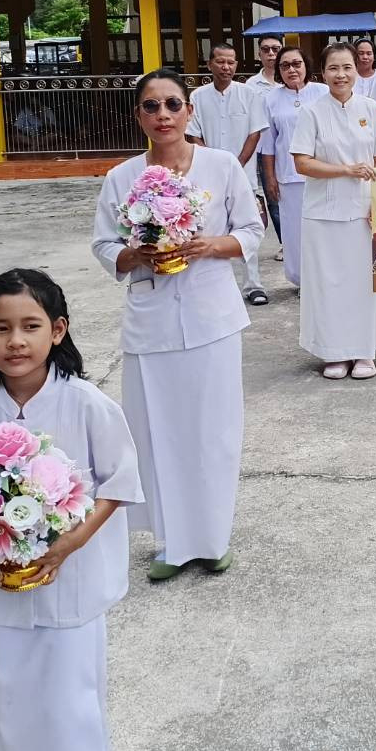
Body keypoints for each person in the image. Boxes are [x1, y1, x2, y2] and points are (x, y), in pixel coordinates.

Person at [0, 268, 142, 751]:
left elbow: (118, 484)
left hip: (69, 588)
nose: (15, 341)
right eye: (0, 328)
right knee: (6, 707)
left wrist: (69, 544)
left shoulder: (87, 404)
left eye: (30, 326)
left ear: (58, 330)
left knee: (69, 708)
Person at [90, 69, 264, 582]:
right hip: (152, 319)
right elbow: (102, 244)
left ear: (190, 111)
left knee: (214, 430)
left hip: (212, 316)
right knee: (156, 431)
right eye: (151, 106)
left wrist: (213, 245)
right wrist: (133, 254)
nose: (163, 115)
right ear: (138, 115)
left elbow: (251, 230)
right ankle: (172, 540)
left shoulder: (221, 165)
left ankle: (212, 537)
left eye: (172, 104)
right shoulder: (121, 177)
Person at [291, 42, 376, 379]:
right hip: (323, 213)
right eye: (334, 68)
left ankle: (365, 351)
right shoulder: (311, 111)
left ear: (357, 70)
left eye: (347, 67)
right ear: (323, 73)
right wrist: (346, 170)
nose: (341, 74)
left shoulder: (371, 109)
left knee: (363, 284)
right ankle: (333, 352)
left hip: (365, 212)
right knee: (328, 284)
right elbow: (302, 163)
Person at [188, 42, 270, 306]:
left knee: (248, 226)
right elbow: (194, 134)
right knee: (208, 228)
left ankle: (253, 285)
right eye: (220, 62)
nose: (226, 67)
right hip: (205, 175)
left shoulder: (249, 95)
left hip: (243, 173)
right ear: (210, 63)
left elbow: (254, 132)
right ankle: (214, 287)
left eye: (231, 62)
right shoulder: (197, 97)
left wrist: (234, 165)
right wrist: (213, 164)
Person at [259, 46, 327, 288]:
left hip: (323, 173)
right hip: (289, 176)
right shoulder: (271, 100)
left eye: (296, 63)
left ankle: (325, 278)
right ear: (278, 71)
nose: (292, 69)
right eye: (285, 65)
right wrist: (270, 180)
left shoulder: (323, 92)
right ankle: (302, 281)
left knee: (322, 229)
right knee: (295, 232)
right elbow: (267, 145)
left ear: (306, 65)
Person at [248, 33, 285, 259]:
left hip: (292, 150)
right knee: (273, 196)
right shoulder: (252, 86)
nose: (271, 54)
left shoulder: (294, 77)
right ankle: (285, 243)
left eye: (275, 48)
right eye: (266, 49)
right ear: (259, 53)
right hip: (264, 150)